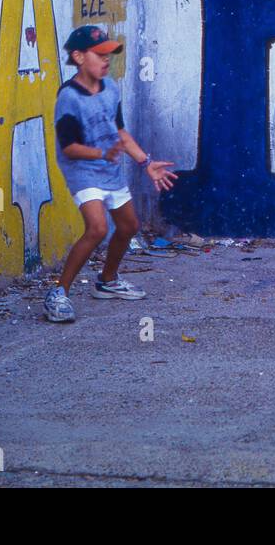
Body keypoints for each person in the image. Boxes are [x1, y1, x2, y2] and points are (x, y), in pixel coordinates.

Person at [43, 25, 177, 323]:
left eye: (109, 55)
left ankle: (107, 280)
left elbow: (119, 132)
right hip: (82, 170)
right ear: (78, 57)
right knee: (98, 228)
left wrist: (146, 163)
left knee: (129, 226)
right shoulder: (69, 97)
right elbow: (69, 148)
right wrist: (102, 153)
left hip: (110, 170)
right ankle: (58, 293)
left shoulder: (111, 88)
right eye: (99, 54)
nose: (107, 61)